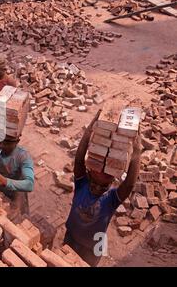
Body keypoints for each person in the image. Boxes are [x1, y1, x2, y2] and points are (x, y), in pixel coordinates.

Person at [64, 109, 142, 267]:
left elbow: (129, 184)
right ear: (88, 174)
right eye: (94, 182)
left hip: (94, 247)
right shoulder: (82, 184)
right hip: (71, 235)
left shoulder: (112, 199)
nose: (97, 188)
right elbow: (79, 159)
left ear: (112, 182)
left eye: (104, 185)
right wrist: (91, 129)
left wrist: (137, 152)